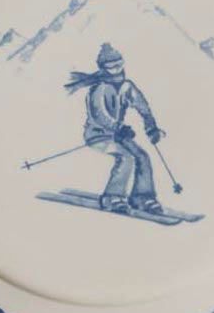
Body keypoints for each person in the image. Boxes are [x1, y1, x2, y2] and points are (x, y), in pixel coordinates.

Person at [65, 44, 164, 214]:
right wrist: (118, 128)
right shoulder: (99, 88)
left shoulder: (127, 86)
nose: (116, 69)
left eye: (119, 64)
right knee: (126, 157)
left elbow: (142, 107)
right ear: (103, 68)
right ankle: (112, 196)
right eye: (111, 66)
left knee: (142, 156)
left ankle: (142, 196)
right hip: (98, 135)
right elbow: (99, 115)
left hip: (118, 135)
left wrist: (151, 128)